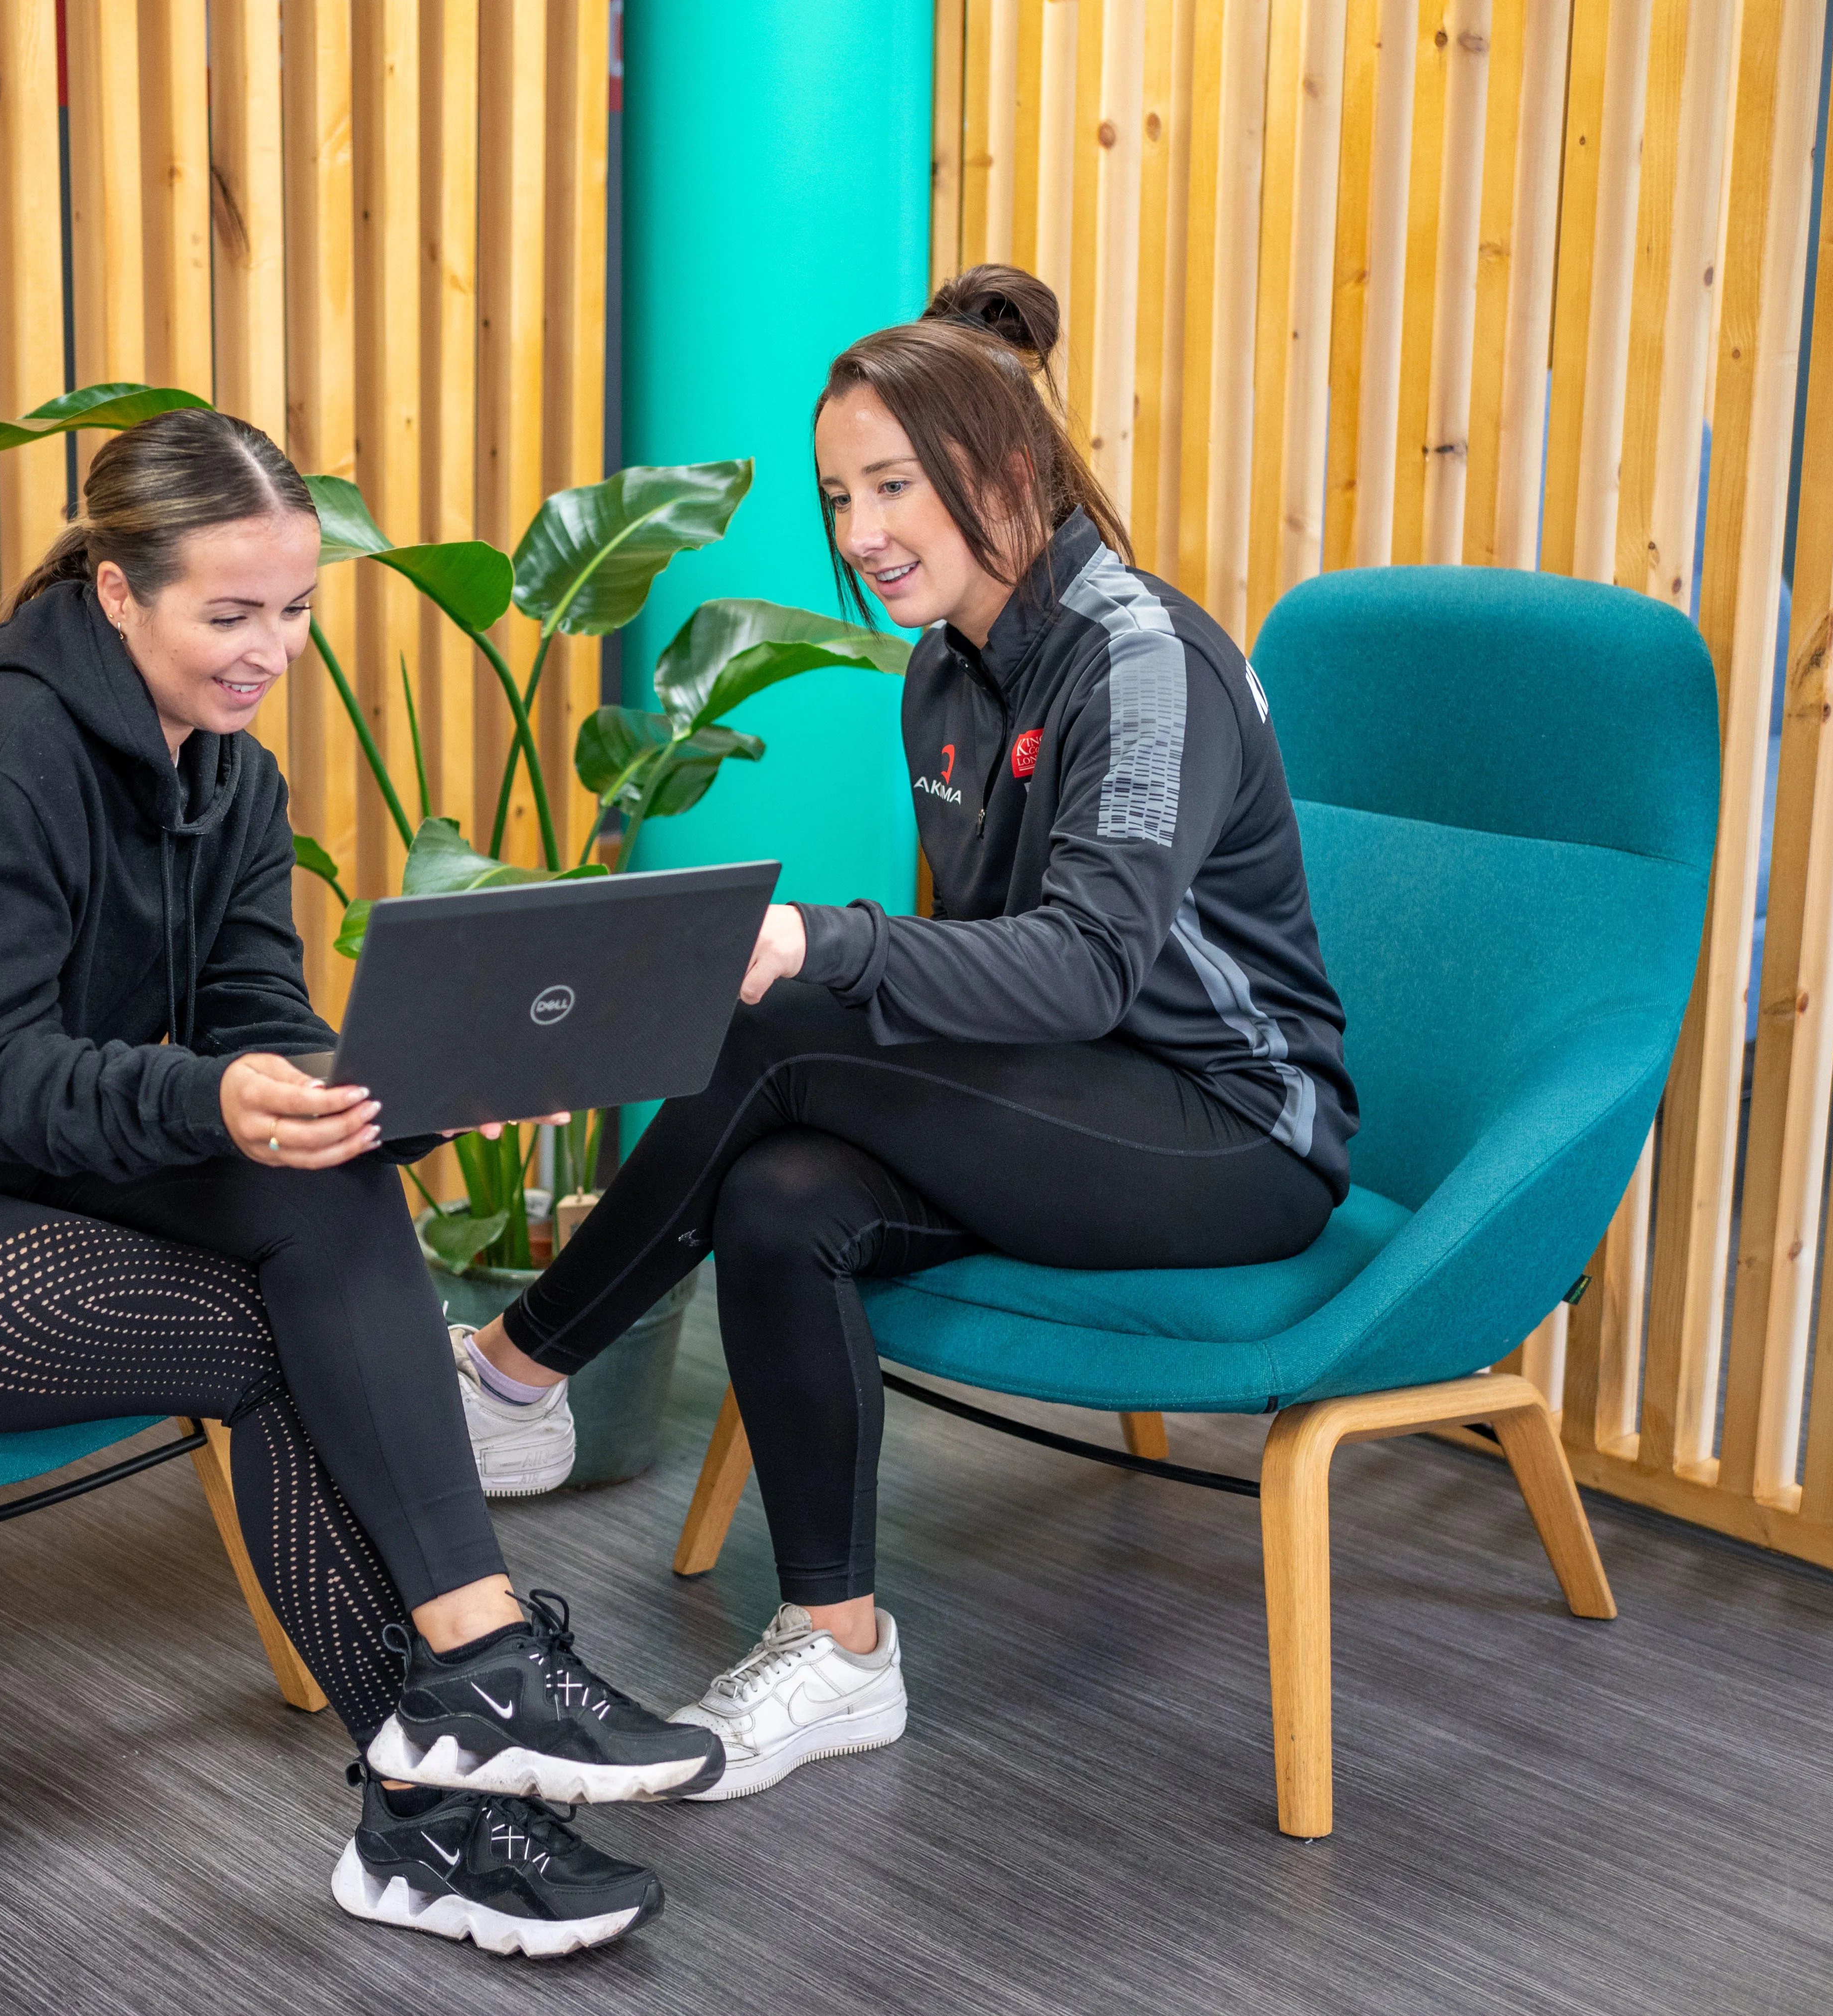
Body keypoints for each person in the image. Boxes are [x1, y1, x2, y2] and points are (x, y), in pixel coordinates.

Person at [0, 408, 722, 1957]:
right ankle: (439, 1805)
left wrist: (381, 1096)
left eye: (295, 610)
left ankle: (468, 1693)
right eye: (230, 614)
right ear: (115, 591)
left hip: (6, 1175)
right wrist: (216, 1097)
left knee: (327, 1200)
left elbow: (251, 1028)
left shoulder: (228, 775)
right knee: (268, 1343)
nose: (270, 649)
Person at [451, 265, 1358, 1800]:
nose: (861, 532)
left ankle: (516, 1377)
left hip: (1234, 1128)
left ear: (1010, 469)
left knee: (793, 1022)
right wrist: (848, 967)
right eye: (840, 494)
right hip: (1074, 1104)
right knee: (782, 1194)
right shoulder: (943, 670)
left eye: (894, 485)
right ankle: (841, 1652)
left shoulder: (1147, 664)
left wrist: (817, 943)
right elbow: (978, 951)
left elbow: (1077, 971)